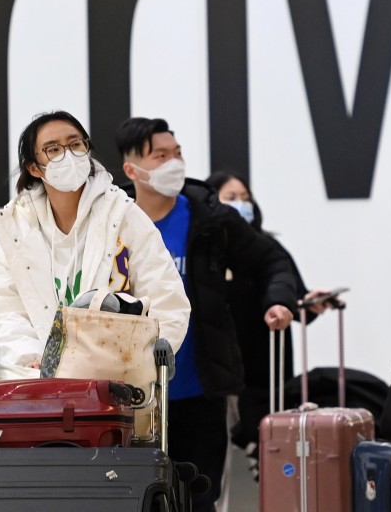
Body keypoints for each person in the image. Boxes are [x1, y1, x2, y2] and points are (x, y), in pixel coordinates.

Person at [115, 117, 301, 512]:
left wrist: (278, 300)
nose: (174, 163)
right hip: (132, 400)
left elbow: (272, 259)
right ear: (132, 170)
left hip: (200, 392)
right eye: (160, 156)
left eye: (177, 154)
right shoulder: (111, 223)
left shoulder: (210, 219)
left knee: (200, 499)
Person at [0, 110, 190, 381]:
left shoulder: (124, 215)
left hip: (117, 384)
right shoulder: (14, 231)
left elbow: (167, 300)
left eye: (76, 144)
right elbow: (3, 312)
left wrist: (135, 364)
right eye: (53, 149)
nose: (68, 154)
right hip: (41, 386)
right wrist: (30, 359)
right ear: (34, 168)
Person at [204, 170, 312, 481]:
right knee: (214, 461)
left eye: (245, 198)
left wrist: (307, 302)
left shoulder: (268, 250)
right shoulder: (209, 251)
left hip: (265, 369)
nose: (241, 204)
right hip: (222, 368)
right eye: (231, 198)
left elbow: (295, 295)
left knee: (273, 463)